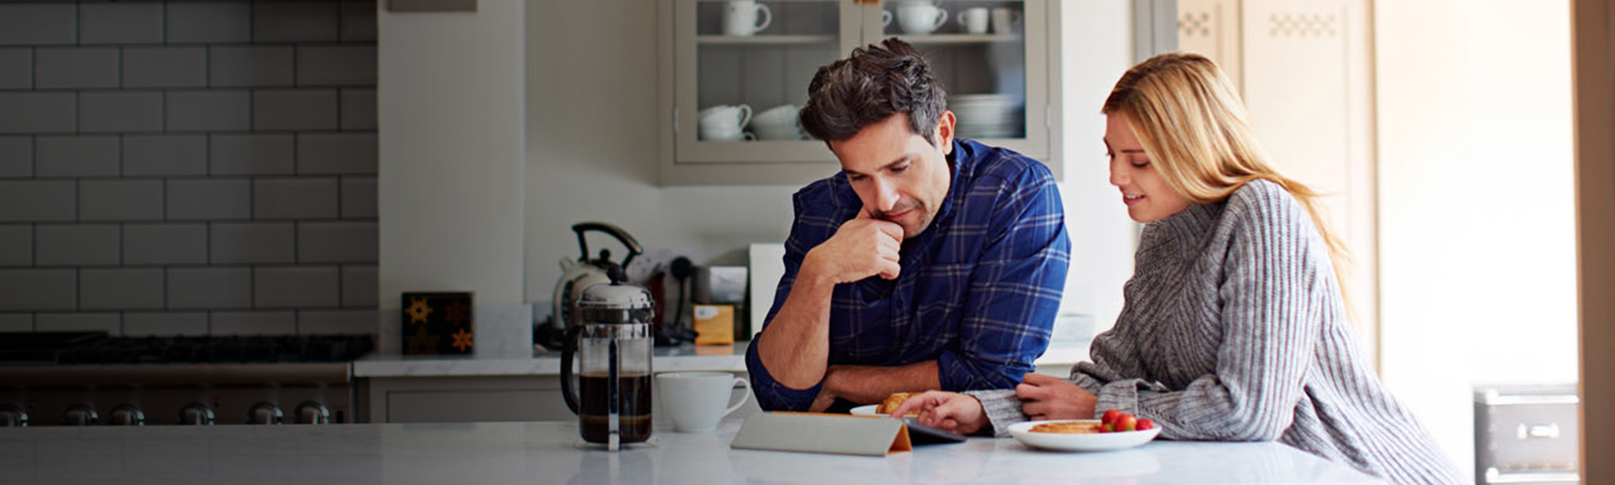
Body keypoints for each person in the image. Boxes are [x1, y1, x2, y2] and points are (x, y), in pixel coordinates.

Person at [891, 52, 1461, 485]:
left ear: (1195, 148)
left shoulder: (1262, 213)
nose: (1116, 177)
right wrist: (983, 410)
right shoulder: (1164, 233)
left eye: (1137, 160)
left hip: (1354, 467)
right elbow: (1106, 373)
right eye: (1111, 155)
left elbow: (1249, 411)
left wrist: (1100, 409)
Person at [744, 38, 1071, 413]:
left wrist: (839, 381)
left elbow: (993, 377)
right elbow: (779, 394)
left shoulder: (1014, 194)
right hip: (841, 459)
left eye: (899, 168)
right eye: (858, 177)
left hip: (965, 460)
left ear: (943, 133)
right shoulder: (824, 209)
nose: (882, 199)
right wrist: (819, 273)